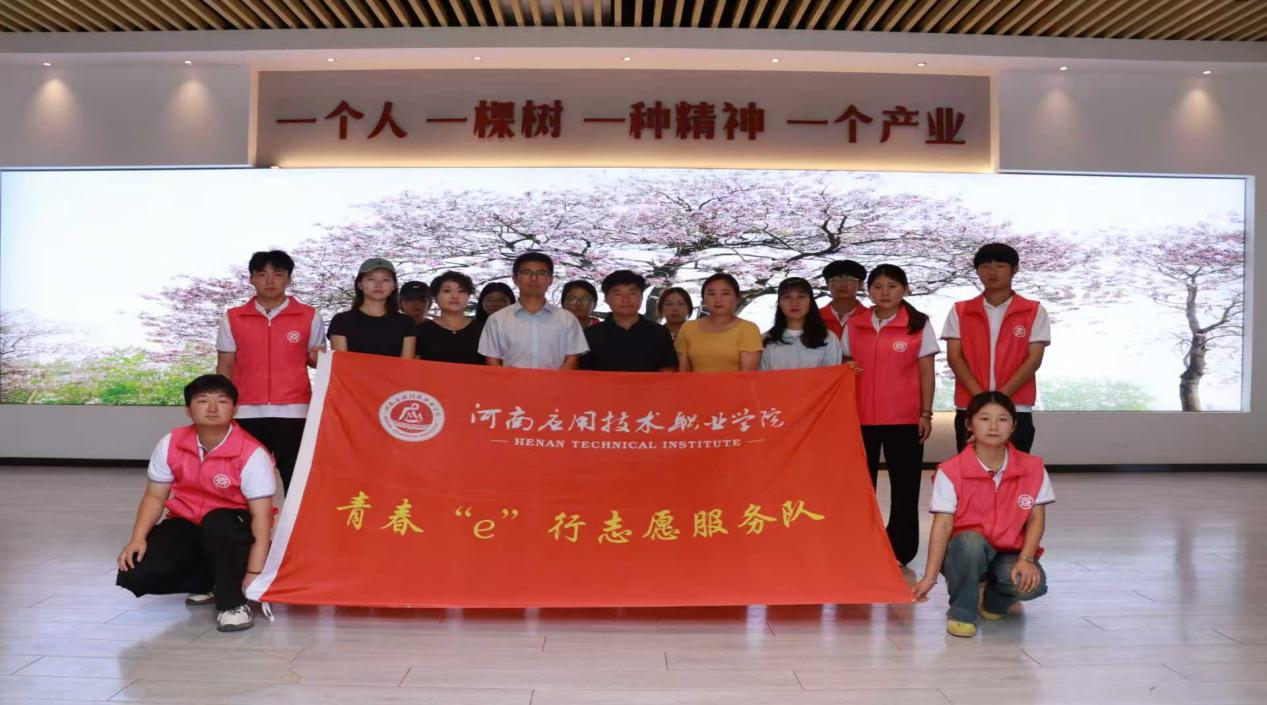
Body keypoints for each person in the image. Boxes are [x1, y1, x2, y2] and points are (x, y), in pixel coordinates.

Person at [115, 375, 274, 632]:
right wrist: (137, 538)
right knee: (137, 571)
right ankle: (206, 582)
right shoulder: (171, 443)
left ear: (235, 409)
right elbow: (155, 496)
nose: (212, 408)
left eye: (222, 401)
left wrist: (255, 574)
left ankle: (233, 604)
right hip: (189, 521)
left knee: (219, 523)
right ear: (188, 410)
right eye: (202, 401)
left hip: (233, 529)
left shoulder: (252, 453)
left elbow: (262, 517)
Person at [911, 391, 1053, 638]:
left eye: (1003, 419)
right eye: (984, 418)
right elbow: (942, 526)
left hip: (1010, 552)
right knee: (969, 542)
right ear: (969, 424)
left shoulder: (1033, 467)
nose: (994, 426)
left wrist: (1026, 558)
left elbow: (1036, 518)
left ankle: (993, 603)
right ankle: (961, 614)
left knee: (1034, 584)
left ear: (1013, 425)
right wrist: (929, 577)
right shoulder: (950, 471)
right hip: (963, 554)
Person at [841, 263, 939, 566]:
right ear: (868, 290)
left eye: (892, 286)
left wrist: (925, 413)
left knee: (905, 488)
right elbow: (843, 363)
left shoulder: (918, 324)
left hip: (904, 419)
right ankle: (861, 544)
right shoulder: (855, 323)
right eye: (878, 286)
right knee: (860, 488)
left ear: (905, 289)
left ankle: (901, 549)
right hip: (859, 419)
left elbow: (927, 371)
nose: (884, 292)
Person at [215, 250, 323, 493]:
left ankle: (294, 520)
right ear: (252, 279)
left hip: (295, 410)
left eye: (278, 274)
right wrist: (223, 405)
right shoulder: (233, 317)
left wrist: (318, 357)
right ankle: (244, 519)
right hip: (245, 410)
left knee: (295, 477)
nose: (270, 281)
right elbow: (225, 364)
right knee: (244, 476)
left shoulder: (309, 316)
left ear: (289, 279)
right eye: (262, 274)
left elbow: (315, 360)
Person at [942, 243, 1051, 453]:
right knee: (971, 469)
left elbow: (1034, 359)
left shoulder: (1033, 310)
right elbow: (954, 357)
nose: (992, 272)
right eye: (985, 267)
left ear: (1014, 269)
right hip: (971, 406)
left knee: (1016, 469)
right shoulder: (960, 310)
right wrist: (980, 398)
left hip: (1016, 406)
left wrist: (1001, 397)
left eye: (1000, 266)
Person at [478, 252, 588, 369]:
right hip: (510, 381)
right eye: (527, 272)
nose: (534, 278)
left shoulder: (567, 319)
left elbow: (572, 359)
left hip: (555, 381)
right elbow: (492, 359)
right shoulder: (497, 319)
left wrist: (556, 380)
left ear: (550, 279)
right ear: (515, 279)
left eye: (541, 273)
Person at [582, 270, 677, 372]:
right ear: (606, 299)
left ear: (641, 297)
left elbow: (668, 369)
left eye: (632, 293)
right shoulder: (591, 334)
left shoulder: (659, 332)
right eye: (618, 294)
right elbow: (585, 373)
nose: (626, 300)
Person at [328, 258, 417, 359]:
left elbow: (406, 364)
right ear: (360, 284)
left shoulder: (406, 323)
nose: (378, 285)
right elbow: (341, 362)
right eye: (371, 279)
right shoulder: (341, 321)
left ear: (394, 286)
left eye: (385, 280)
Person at [675, 273, 763, 372]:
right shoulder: (688, 328)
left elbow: (746, 375)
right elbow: (683, 371)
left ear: (737, 298)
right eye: (711, 294)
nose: (718, 299)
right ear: (703, 299)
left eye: (725, 293)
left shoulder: (748, 329)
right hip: (694, 383)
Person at [760, 277, 843, 370]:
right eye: (787, 297)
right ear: (779, 303)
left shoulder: (828, 339)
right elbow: (761, 377)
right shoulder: (765, 340)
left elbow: (833, 376)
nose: (794, 303)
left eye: (801, 296)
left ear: (811, 301)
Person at [416, 271, 484, 365]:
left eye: (461, 291)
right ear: (435, 297)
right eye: (447, 291)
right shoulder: (421, 331)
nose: (455, 296)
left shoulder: (483, 330)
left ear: (468, 296)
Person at [820, 259, 869, 339]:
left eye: (850, 279)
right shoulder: (814, 317)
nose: (843, 284)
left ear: (860, 284)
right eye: (836, 279)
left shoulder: (872, 317)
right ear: (827, 283)